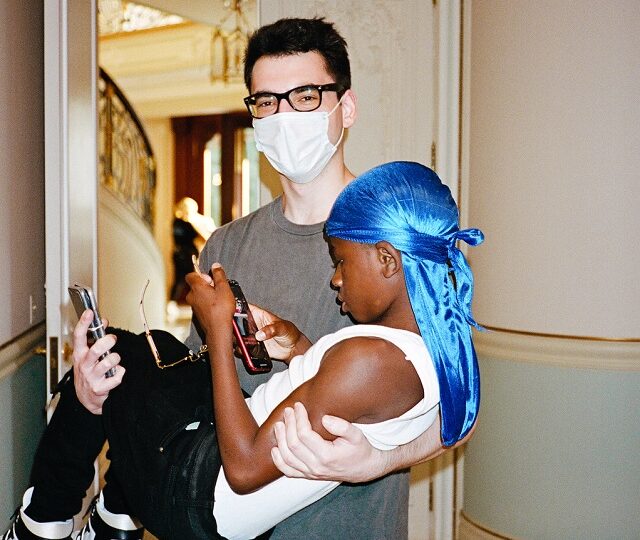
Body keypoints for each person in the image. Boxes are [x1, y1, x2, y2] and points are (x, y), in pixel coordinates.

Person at [3, 18, 471, 540]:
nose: (285, 116)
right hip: (221, 513)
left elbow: (461, 404)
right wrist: (97, 394)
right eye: (267, 102)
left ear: (347, 107)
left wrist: (378, 460)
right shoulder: (225, 247)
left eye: (305, 96)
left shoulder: (402, 241)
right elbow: (187, 391)